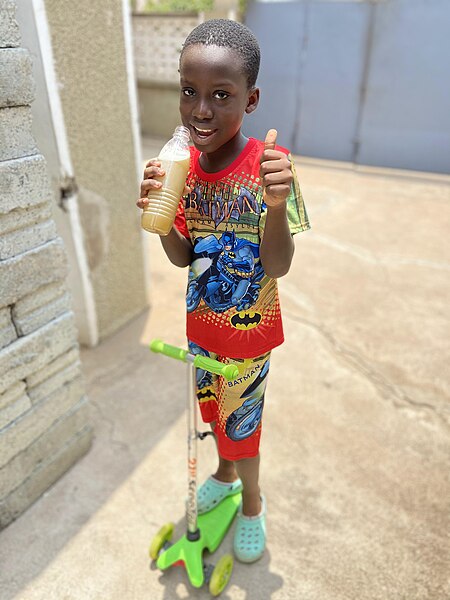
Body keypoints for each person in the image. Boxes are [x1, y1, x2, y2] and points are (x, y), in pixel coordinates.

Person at [137, 19, 310, 563]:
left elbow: (278, 265)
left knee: (244, 431)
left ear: (251, 99)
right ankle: (223, 475)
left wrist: (276, 204)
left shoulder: (269, 169)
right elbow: (184, 257)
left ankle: (253, 503)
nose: (201, 110)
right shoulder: (181, 169)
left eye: (221, 95)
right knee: (214, 417)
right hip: (202, 331)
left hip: (249, 338)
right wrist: (161, 214)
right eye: (190, 92)